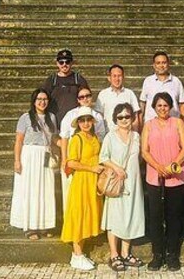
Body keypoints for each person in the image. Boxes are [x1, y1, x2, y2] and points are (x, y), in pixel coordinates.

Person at [140, 92, 184, 272]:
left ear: (171, 107)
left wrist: (173, 164)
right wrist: (158, 167)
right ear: (154, 107)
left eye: (166, 105)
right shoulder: (148, 125)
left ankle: (172, 255)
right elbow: (145, 151)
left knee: (174, 217)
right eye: (159, 105)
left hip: (176, 176)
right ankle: (157, 254)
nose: (162, 108)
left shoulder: (178, 123)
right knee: (155, 217)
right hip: (155, 176)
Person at [100, 103, 145, 272]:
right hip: (116, 182)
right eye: (120, 117)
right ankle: (114, 254)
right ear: (115, 119)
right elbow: (103, 157)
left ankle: (126, 253)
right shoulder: (110, 137)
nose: (124, 119)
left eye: (127, 116)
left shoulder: (136, 136)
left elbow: (140, 158)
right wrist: (117, 168)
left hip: (133, 182)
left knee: (131, 214)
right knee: (114, 217)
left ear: (132, 118)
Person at [10, 89, 59, 240]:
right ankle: (30, 227)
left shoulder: (51, 117)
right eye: (39, 99)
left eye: (45, 99)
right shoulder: (25, 118)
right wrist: (17, 160)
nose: (42, 102)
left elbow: (54, 139)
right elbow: (19, 141)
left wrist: (65, 146)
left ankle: (44, 224)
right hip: (29, 156)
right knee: (30, 190)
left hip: (45, 155)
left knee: (46, 189)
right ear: (34, 101)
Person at [61, 106, 104, 271]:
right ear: (78, 123)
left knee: (88, 215)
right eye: (82, 120)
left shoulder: (94, 138)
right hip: (82, 181)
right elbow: (70, 163)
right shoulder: (77, 139)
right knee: (79, 215)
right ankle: (77, 254)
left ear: (92, 121)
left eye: (88, 120)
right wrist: (92, 168)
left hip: (93, 182)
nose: (86, 123)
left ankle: (78, 254)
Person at [59, 86, 106, 210]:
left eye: (88, 96)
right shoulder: (70, 115)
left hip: (93, 164)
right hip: (75, 161)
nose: (85, 99)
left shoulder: (98, 116)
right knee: (73, 198)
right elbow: (64, 138)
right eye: (82, 97)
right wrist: (64, 159)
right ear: (78, 100)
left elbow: (100, 140)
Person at [39, 49, 89, 125]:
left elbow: (87, 99)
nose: (64, 64)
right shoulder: (51, 80)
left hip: (75, 122)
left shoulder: (78, 79)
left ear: (72, 63)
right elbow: (42, 99)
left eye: (67, 62)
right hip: (55, 122)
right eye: (61, 62)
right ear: (57, 64)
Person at [139, 51, 184, 123]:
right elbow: (142, 104)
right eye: (158, 63)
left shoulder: (176, 81)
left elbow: (182, 105)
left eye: (164, 62)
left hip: (172, 125)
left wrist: (181, 124)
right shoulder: (148, 81)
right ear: (154, 65)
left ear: (168, 64)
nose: (161, 66)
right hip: (151, 125)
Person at [96, 64, 141, 131]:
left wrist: (134, 134)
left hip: (126, 134)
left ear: (123, 77)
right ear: (109, 78)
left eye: (119, 76)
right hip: (109, 135)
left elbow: (136, 117)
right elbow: (99, 117)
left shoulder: (130, 93)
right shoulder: (103, 94)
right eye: (114, 76)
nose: (117, 79)